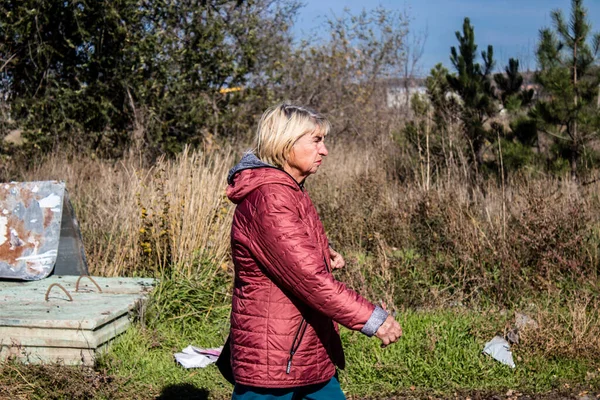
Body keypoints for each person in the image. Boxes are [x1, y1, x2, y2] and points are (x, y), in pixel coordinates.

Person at [225, 103, 402, 399]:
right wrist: (374, 320)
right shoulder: (270, 198)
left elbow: (289, 252)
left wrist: (323, 250)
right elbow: (312, 280)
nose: (325, 151)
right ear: (285, 143)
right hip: (274, 360)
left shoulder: (288, 190)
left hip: (305, 351)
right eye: (317, 140)